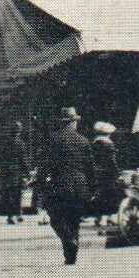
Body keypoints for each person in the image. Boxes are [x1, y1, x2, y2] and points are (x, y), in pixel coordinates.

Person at [38, 106, 93, 265]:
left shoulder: (54, 140)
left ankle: (69, 242)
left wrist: (41, 182)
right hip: (80, 185)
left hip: (60, 185)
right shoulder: (83, 141)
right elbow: (90, 167)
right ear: (73, 123)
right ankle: (71, 256)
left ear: (62, 123)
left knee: (56, 219)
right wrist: (92, 187)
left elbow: (46, 165)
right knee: (74, 220)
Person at [2, 119, 32, 225]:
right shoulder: (20, 144)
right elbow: (23, 159)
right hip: (16, 173)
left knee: (8, 195)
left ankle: (10, 216)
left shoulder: (5, 144)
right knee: (17, 194)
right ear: (19, 131)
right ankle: (19, 214)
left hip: (6, 173)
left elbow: (0, 157)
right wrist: (28, 172)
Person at [90, 121, 119, 224]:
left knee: (99, 195)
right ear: (108, 134)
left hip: (96, 172)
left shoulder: (93, 144)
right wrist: (117, 173)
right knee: (110, 195)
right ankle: (109, 217)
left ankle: (98, 216)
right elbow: (111, 161)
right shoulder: (108, 145)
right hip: (108, 173)